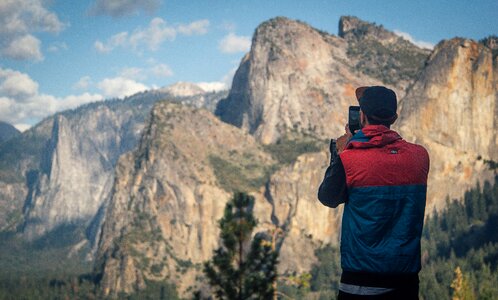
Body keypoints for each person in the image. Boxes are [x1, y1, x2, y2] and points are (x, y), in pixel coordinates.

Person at [317, 86, 430, 299]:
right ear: (394, 118)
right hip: (406, 283)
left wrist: (340, 153)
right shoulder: (420, 156)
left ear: (361, 115)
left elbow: (328, 197)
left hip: (360, 283)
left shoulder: (349, 158)